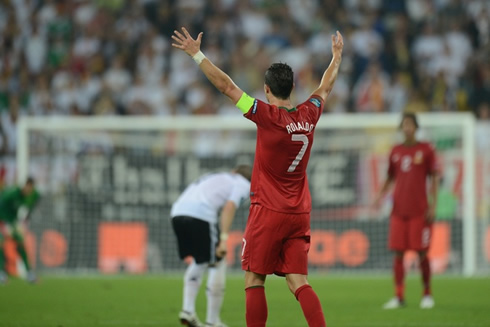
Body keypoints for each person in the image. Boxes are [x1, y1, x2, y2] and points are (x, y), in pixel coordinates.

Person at [172, 27, 343, 327]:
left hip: (268, 210)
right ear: (291, 88)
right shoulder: (309, 114)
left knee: (254, 279)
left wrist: (196, 54)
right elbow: (325, 87)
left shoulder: (265, 116)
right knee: (298, 281)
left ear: (266, 90)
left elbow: (226, 87)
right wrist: (337, 56)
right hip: (299, 210)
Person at [171, 165, 252, 327]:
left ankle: (188, 310)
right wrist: (223, 239)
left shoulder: (217, 176)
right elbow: (230, 206)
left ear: (234, 171)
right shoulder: (244, 184)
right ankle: (212, 321)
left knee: (200, 261)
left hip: (177, 213)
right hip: (201, 215)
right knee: (218, 262)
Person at [373, 113, 439, 309]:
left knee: (421, 253)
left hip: (419, 211)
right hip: (398, 211)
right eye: (404, 125)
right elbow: (390, 177)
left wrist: (433, 205)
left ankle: (427, 293)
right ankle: (399, 296)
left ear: (416, 127)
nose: (407, 128)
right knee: (398, 254)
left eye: (410, 124)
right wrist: (379, 196)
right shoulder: (395, 151)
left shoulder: (426, 150)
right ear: (401, 128)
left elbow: (434, 178)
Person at [0, 177, 41, 284]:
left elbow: (31, 204)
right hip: (2, 220)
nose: (29, 190)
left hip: (13, 221)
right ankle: (1, 273)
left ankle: (29, 274)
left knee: (20, 244)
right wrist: (5, 223)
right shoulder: (11, 194)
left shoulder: (32, 195)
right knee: (1, 244)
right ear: (25, 186)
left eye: (31, 189)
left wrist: (21, 222)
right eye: (28, 187)